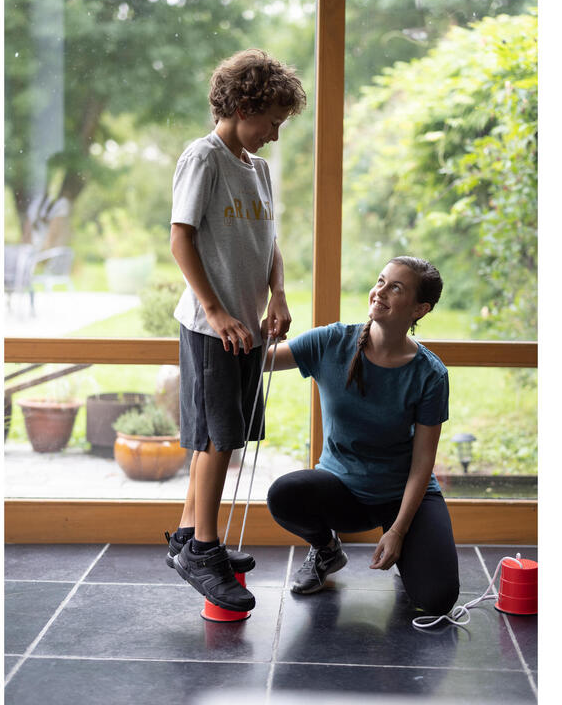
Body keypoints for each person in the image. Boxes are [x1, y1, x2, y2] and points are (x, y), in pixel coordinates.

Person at [166, 49, 306, 613]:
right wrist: (216, 310)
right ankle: (204, 548)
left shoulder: (259, 168)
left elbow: (269, 241)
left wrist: (278, 292)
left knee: (223, 434)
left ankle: (184, 537)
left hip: (247, 326)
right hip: (210, 328)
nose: (275, 133)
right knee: (218, 437)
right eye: (271, 120)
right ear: (244, 106)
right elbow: (180, 239)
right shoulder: (204, 158)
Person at [266, 256, 460, 615]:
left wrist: (399, 531)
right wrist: (234, 315)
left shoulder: (430, 374)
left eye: (396, 288)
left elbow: (422, 463)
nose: (380, 291)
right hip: (343, 492)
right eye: (381, 281)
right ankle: (326, 550)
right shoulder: (332, 342)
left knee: (437, 600)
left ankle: (406, 550)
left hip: (402, 496)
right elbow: (263, 361)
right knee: (284, 495)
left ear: (420, 309)